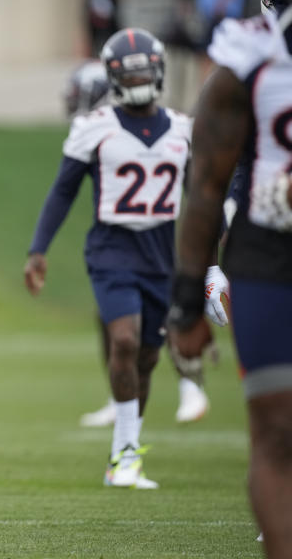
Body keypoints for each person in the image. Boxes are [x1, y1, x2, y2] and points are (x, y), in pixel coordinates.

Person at [169, 0, 292, 554]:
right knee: (275, 429)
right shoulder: (250, 52)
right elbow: (207, 184)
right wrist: (191, 295)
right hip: (270, 254)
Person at [24, 28, 192, 489]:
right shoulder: (94, 126)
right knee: (123, 340)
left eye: (144, 70)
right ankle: (123, 457)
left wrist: (212, 262)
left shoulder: (182, 128)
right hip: (112, 249)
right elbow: (63, 191)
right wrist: (38, 249)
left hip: (160, 251)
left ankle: (127, 448)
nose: (138, 78)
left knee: (148, 357)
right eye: (129, 71)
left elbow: (202, 198)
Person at [59, 62, 212, 428]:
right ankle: (119, 397)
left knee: (162, 315)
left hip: (155, 241)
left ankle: (192, 384)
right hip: (118, 244)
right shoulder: (100, 130)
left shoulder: (151, 126)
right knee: (110, 317)